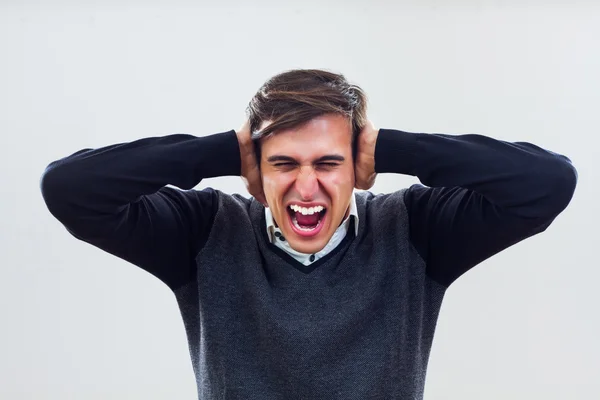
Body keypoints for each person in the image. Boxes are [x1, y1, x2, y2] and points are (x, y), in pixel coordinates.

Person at [40, 69, 577, 399]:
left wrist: (395, 149)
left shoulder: (417, 230)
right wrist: (221, 153)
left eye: (327, 162)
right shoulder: (201, 231)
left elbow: (547, 183)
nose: (306, 186)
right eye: (283, 163)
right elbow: (70, 189)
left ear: (358, 165)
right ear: (255, 168)